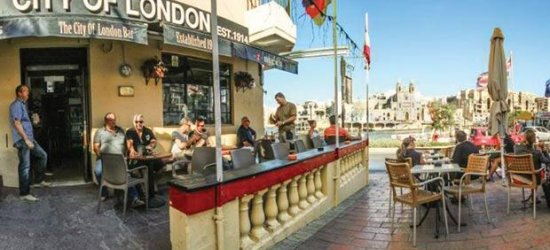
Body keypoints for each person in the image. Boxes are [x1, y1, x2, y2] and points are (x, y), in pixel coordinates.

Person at [9, 84, 50, 201]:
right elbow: (17, 124)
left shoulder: (23, 105)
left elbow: (24, 122)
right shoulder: (16, 105)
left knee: (43, 156)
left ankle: (38, 180)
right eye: (26, 91)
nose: (28, 93)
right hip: (23, 140)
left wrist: (34, 121)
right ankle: (24, 194)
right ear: (19, 93)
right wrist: (26, 140)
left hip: (29, 138)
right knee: (25, 166)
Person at [93, 112, 143, 207]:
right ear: (106, 121)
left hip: (120, 159)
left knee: (126, 173)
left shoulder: (121, 130)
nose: (113, 121)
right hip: (105, 159)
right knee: (98, 171)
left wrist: (132, 150)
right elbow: (96, 147)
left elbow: (128, 143)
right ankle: (104, 192)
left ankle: (135, 198)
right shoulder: (100, 132)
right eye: (111, 120)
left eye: (114, 119)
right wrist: (102, 157)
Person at [126, 114, 165, 202]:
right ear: (133, 122)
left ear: (143, 122)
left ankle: (152, 184)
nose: (138, 124)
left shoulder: (148, 131)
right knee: (147, 168)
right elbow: (130, 143)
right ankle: (148, 194)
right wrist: (132, 150)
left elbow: (154, 141)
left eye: (141, 122)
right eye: (136, 122)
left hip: (148, 157)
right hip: (136, 160)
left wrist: (151, 146)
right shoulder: (130, 131)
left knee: (161, 165)